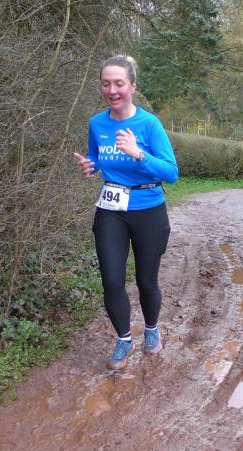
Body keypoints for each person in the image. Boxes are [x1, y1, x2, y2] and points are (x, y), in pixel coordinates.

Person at [73, 55, 178, 370]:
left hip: (148, 209)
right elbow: (97, 157)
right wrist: (91, 166)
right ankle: (123, 339)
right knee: (111, 280)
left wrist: (139, 154)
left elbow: (171, 172)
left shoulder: (149, 124)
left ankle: (151, 330)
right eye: (106, 83)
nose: (112, 90)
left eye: (119, 83)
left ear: (132, 86)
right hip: (111, 210)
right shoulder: (97, 123)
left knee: (147, 281)